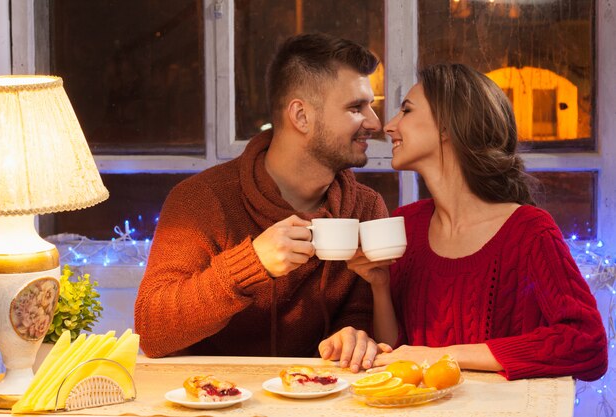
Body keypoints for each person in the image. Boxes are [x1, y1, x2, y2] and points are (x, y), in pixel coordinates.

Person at [319, 63, 608, 381]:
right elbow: (396, 352)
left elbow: (588, 344)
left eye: (407, 111)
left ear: (447, 127)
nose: (389, 126)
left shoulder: (529, 231)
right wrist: (381, 285)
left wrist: (444, 355)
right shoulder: (406, 224)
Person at [134, 32, 391, 362]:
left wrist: (353, 336)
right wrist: (250, 264)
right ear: (301, 116)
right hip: (214, 401)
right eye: (356, 107)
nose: (375, 122)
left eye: (371, 105)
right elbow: (152, 331)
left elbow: (359, 317)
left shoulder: (366, 207)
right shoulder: (199, 200)